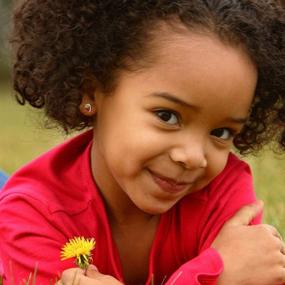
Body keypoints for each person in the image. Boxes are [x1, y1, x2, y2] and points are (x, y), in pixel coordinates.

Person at [0, 0, 284, 284]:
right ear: (91, 93)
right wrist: (214, 275)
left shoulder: (222, 190)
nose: (194, 156)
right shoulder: (31, 216)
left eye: (221, 132)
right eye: (167, 115)